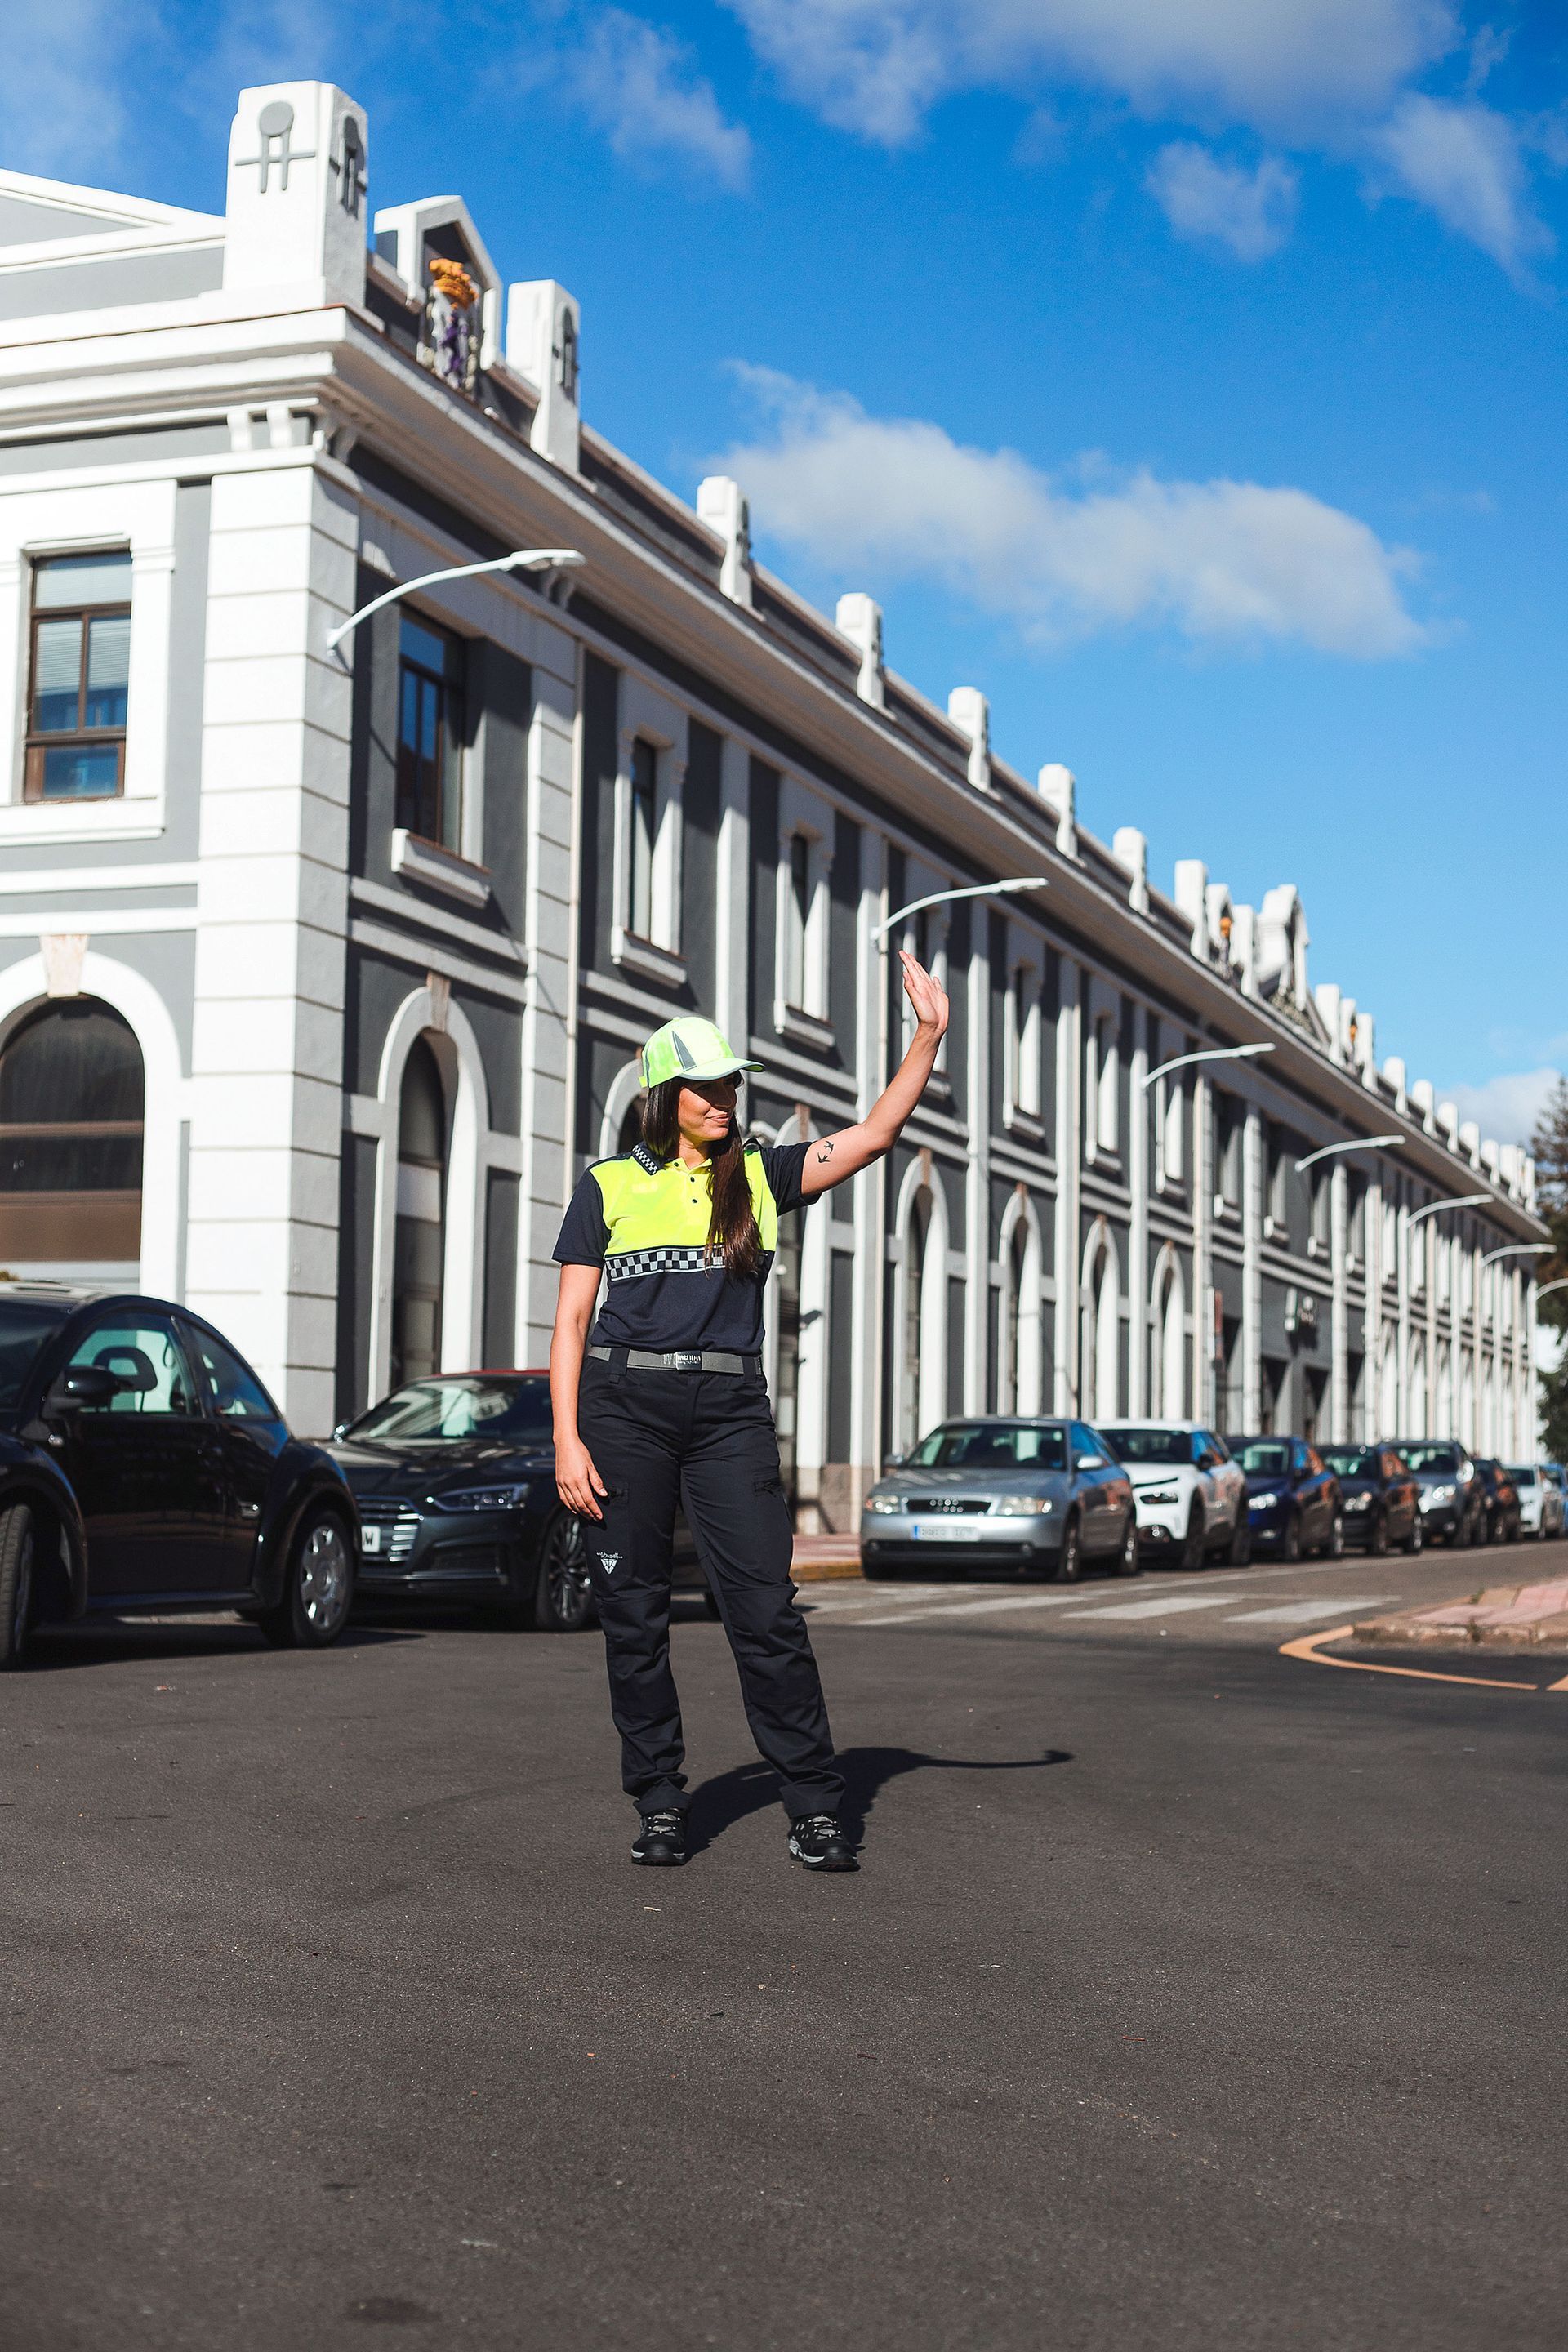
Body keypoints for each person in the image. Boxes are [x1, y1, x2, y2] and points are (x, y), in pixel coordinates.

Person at [550, 951, 951, 1873]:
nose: (722, 1097)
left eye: (728, 1083)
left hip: (728, 1410)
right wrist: (567, 1438)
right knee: (634, 1615)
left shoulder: (761, 1178)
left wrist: (926, 1036)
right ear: (664, 1095)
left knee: (766, 1613)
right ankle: (659, 1801)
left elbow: (876, 1134)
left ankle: (814, 1804)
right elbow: (572, 1321)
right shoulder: (607, 1186)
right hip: (624, 1408)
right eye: (704, 1086)